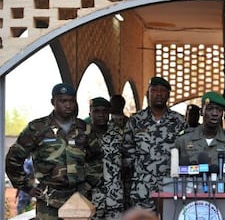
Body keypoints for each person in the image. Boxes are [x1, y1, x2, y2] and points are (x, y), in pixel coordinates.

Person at [6, 83, 103, 220]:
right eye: (63, 101)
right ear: (53, 102)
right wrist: (26, 187)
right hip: (48, 201)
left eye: (71, 101)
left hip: (78, 199)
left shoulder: (84, 128)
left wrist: (88, 186)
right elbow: (13, 158)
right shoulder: (37, 128)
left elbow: (97, 158)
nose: (68, 105)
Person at [122, 76, 186, 210]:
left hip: (171, 186)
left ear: (168, 95)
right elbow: (127, 154)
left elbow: (186, 153)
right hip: (142, 189)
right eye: (154, 90)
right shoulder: (135, 121)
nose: (158, 94)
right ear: (148, 94)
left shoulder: (179, 121)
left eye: (162, 91)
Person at [176, 91, 225, 167]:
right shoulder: (184, 140)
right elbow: (172, 171)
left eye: (219, 110)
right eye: (210, 109)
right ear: (201, 112)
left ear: (223, 114)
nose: (214, 113)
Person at [87, 97, 124, 220]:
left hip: (115, 198)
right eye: (96, 111)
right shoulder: (82, 136)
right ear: (90, 113)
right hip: (90, 199)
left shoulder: (119, 135)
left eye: (104, 111)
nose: (101, 115)